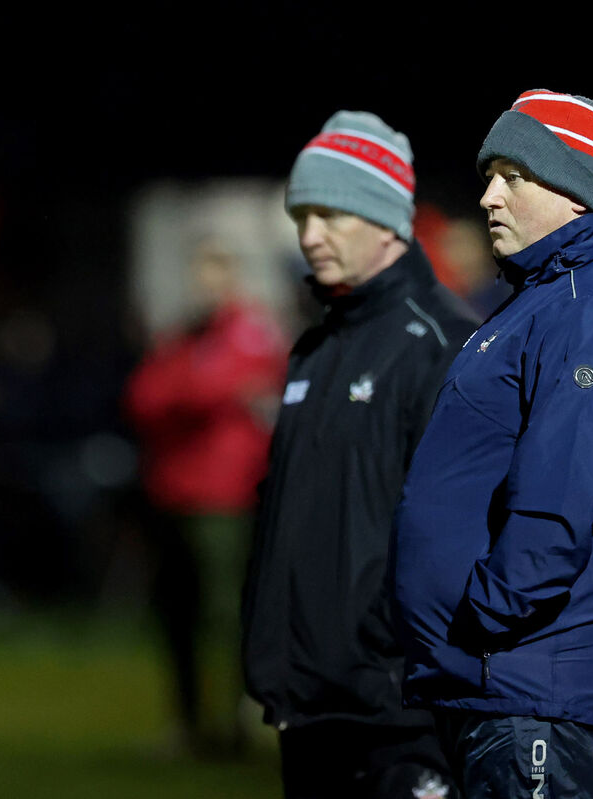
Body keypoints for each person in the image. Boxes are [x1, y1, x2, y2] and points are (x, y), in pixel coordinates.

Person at [392, 89, 593, 799]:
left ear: (575, 187)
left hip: (540, 685)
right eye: (489, 175)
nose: (489, 196)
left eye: (513, 177)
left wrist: (482, 621)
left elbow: (563, 494)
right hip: (516, 682)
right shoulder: (553, 294)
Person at [240, 111, 479, 799]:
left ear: (386, 219)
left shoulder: (445, 343)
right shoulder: (317, 347)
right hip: (310, 705)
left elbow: (461, 534)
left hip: (404, 715)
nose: (309, 236)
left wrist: (391, 654)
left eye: (332, 214)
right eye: (302, 215)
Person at [124, 235, 288, 756]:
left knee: (229, 612)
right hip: (173, 490)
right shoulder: (184, 335)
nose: (204, 284)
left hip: (227, 493)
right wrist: (193, 389)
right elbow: (142, 398)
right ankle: (190, 725)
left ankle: (242, 722)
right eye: (199, 273)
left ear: (231, 277)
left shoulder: (251, 329)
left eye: (214, 272)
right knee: (177, 611)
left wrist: (188, 389)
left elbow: (217, 387)